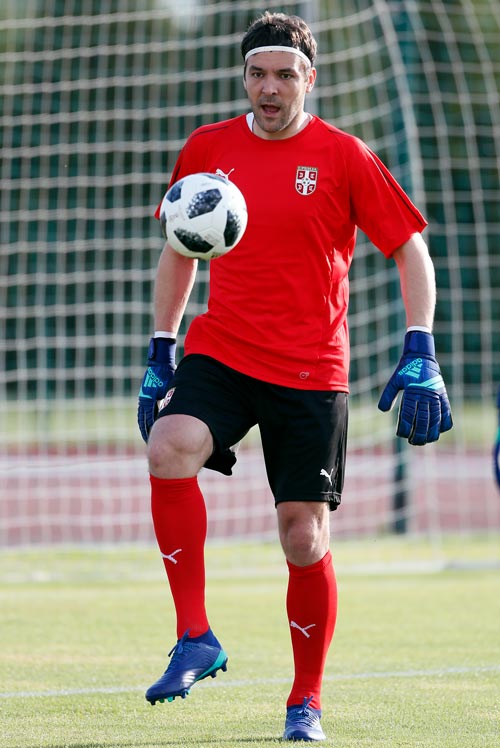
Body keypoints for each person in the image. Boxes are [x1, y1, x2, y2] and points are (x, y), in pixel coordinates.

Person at [137, 11, 453, 742]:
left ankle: (304, 700)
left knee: (302, 537)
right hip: (223, 350)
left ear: (310, 77)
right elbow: (180, 250)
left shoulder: (343, 155)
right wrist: (162, 348)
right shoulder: (208, 150)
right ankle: (195, 636)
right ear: (243, 77)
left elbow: (410, 250)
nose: (269, 88)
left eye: (284, 74)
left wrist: (420, 346)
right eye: (257, 73)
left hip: (313, 368)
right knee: (169, 446)